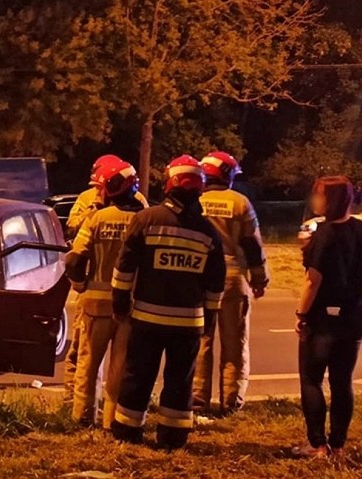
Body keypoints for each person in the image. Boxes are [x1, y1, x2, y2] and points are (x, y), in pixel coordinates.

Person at [110, 155, 226, 450]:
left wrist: (120, 302)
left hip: (148, 319)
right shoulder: (207, 232)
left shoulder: (146, 220)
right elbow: (215, 282)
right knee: (180, 381)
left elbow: (125, 268)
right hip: (188, 323)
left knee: (138, 375)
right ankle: (173, 437)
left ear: (170, 183)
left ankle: (127, 431)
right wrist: (210, 318)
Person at [292, 176, 362, 458]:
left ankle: (316, 444)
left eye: (319, 195)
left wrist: (301, 313)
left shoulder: (323, 234)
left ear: (331, 200)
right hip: (354, 314)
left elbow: (313, 281)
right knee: (342, 381)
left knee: (311, 379)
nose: (315, 200)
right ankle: (337, 444)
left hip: (324, 319)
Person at [66, 159, 145, 427]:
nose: (97, 192)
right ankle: (113, 422)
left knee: (87, 367)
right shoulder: (143, 220)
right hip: (131, 307)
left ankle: (83, 418)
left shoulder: (98, 218)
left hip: (95, 306)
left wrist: (80, 285)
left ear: (111, 188)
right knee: (119, 369)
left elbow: (74, 260)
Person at [193, 151, 269, 414]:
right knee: (234, 343)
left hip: (200, 278)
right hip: (233, 278)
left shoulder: (196, 201)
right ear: (228, 175)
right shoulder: (240, 203)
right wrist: (259, 279)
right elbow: (252, 245)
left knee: (201, 342)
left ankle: (197, 401)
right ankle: (230, 403)